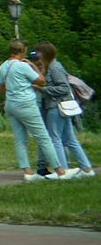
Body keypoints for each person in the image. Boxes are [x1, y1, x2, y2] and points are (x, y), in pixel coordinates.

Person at [0, 41, 63, 180]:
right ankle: (60, 171)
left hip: (11, 104)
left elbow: (0, 87)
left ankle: (27, 171)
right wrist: (33, 65)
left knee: (20, 139)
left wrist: (10, 95)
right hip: (26, 104)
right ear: (21, 51)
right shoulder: (23, 66)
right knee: (43, 137)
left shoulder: (3, 66)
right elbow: (42, 81)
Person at [34, 43, 93, 178]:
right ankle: (87, 169)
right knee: (70, 139)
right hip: (60, 106)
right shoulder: (50, 67)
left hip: (57, 106)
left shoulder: (54, 67)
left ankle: (62, 170)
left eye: (39, 52)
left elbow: (64, 88)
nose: (37, 55)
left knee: (55, 138)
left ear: (45, 53)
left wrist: (43, 89)